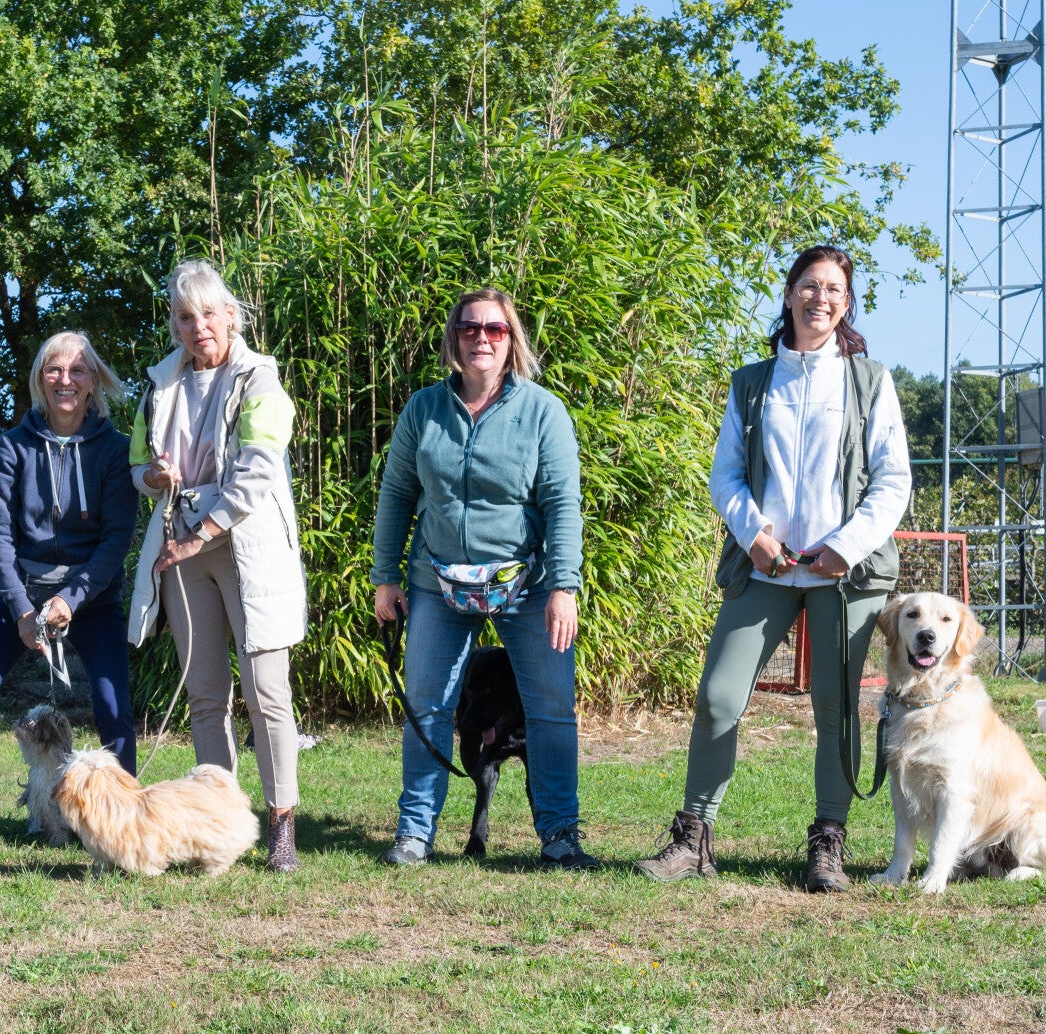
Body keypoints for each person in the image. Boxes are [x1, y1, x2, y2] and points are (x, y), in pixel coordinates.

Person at [635, 244, 910, 892]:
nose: (820, 298)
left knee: (836, 708)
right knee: (717, 697)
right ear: (789, 294)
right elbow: (726, 474)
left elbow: (893, 479)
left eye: (834, 289)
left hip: (843, 574)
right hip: (766, 569)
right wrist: (753, 534)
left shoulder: (870, 381)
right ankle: (694, 840)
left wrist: (847, 545)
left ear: (846, 304)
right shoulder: (752, 383)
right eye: (809, 285)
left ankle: (828, 845)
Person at [370, 288, 593, 871]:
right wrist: (385, 575)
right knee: (427, 705)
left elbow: (562, 503)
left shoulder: (543, 411)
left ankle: (560, 836)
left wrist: (563, 586)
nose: (482, 339)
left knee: (550, 710)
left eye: (495, 329)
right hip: (437, 581)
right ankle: (415, 833)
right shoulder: (423, 409)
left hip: (528, 584)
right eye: (470, 328)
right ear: (454, 338)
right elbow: (396, 495)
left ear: (511, 338)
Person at [0, 332, 138, 853]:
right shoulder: (12, 446)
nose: (66, 380)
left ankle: (120, 823)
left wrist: (72, 599)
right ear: (40, 380)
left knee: (113, 707)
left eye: (77, 370)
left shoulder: (115, 449)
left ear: (93, 382)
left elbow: (116, 540)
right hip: (22, 597)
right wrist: (23, 609)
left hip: (92, 600)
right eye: (54, 370)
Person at [126, 260, 307, 872]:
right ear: (174, 325)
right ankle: (218, 821)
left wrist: (200, 534)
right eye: (185, 316)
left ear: (231, 315)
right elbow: (136, 465)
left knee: (266, 692)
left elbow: (257, 473)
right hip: (181, 547)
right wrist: (154, 477)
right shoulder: (159, 384)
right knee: (204, 694)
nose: (198, 326)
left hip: (245, 546)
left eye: (208, 313)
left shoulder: (260, 380)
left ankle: (281, 823)